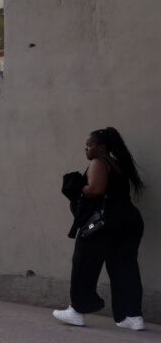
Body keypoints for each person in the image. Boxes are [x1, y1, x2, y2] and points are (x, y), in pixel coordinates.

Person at [53, 127, 146, 330]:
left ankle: (76, 310)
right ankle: (132, 316)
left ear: (102, 147)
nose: (85, 147)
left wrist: (77, 187)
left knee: (83, 263)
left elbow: (95, 189)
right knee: (124, 267)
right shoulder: (119, 165)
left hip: (104, 222)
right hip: (129, 221)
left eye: (90, 144)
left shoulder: (99, 163)